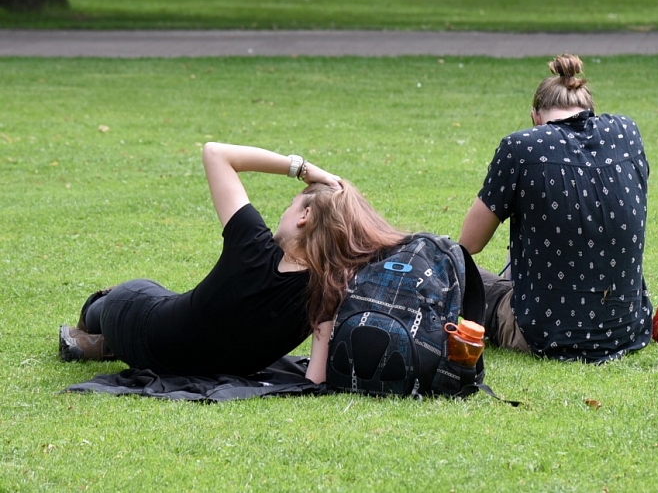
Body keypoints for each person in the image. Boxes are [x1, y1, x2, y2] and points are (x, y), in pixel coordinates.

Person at [59, 142, 406, 383]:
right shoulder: (327, 293)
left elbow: (216, 153)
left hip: (141, 326)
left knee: (115, 301)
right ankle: (104, 342)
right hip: (185, 355)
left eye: (291, 204)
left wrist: (303, 169)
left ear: (306, 215)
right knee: (168, 298)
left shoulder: (252, 244)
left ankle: (100, 328)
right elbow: (314, 379)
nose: (283, 212)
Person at [459, 54, 653, 363]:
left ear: (535, 116)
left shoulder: (521, 147)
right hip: (628, 328)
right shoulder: (626, 133)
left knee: (461, 277)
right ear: (590, 111)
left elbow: (468, 245)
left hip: (546, 333)